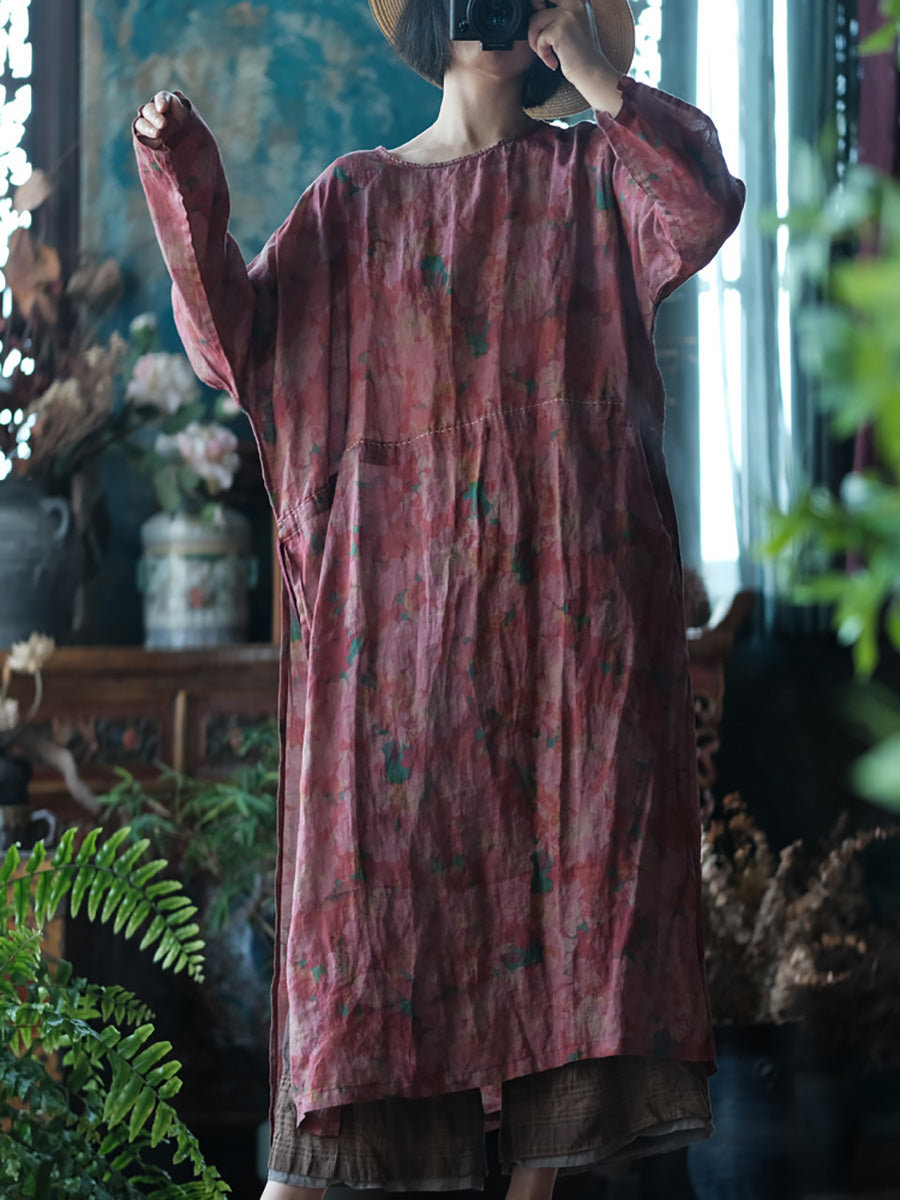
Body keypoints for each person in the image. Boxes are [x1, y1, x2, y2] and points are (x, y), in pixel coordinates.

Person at [133, 1, 745, 1196]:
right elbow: (229, 347)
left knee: (566, 1003)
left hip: (571, 668)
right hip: (396, 682)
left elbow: (703, 207)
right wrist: (182, 173)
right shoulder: (350, 204)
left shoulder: (598, 180)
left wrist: (596, 74)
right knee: (359, 997)